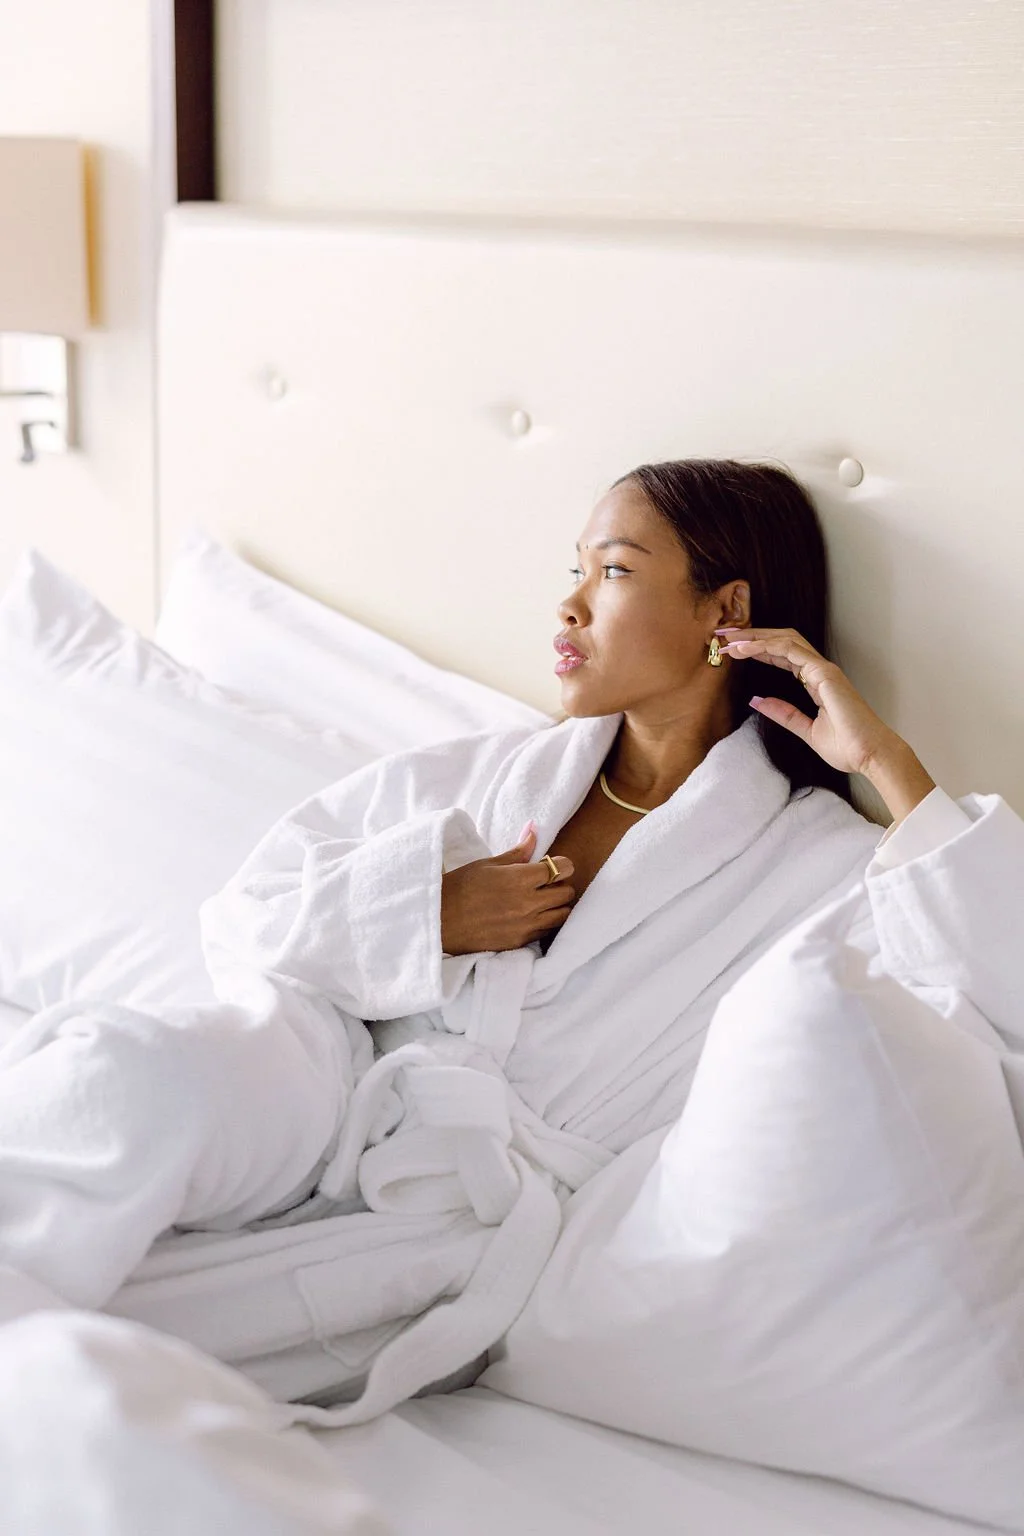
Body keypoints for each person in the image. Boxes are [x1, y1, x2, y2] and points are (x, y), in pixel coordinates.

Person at [0, 459, 1020, 1427]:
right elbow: (246, 917)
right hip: (314, 1076)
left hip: (456, 1215)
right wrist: (425, 914)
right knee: (121, 1078)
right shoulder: (495, 770)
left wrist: (886, 764)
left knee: (123, 1365)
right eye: (574, 570)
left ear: (726, 611)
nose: (569, 605)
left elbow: (992, 1009)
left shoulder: (823, 866)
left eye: (611, 571)